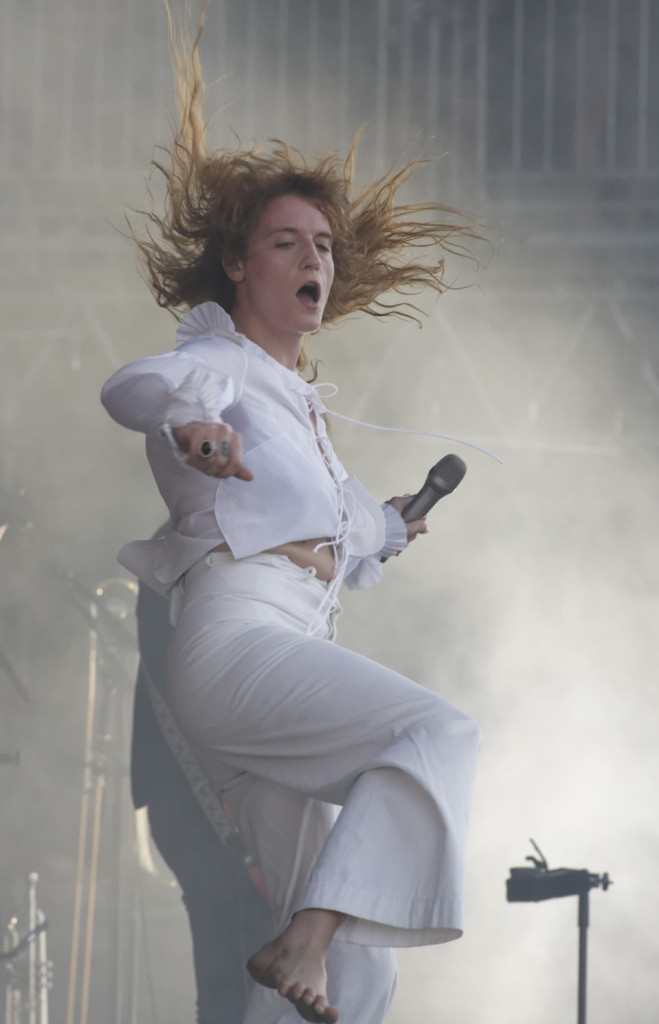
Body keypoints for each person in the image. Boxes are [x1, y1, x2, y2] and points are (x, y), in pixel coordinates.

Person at [102, 11, 483, 1023]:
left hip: (273, 663)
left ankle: (308, 949)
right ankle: (301, 936)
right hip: (235, 645)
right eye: (286, 240)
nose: (311, 256)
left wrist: (393, 524)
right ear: (239, 264)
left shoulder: (303, 417)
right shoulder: (215, 362)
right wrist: (189, 426)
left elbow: (355, 532)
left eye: (320, 243)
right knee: (435, 733)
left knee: (357, 972)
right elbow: (134, 385)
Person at [132, 538, 273, 1024]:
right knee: (232, 980)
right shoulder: (194, 540)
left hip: (207, 795)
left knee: (239, 977)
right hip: (202, 799)